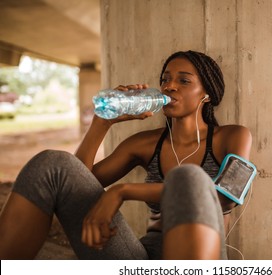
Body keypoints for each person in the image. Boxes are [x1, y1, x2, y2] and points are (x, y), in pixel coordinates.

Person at [0, 50, 252, 260]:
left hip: (200, 256)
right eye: (165, 79)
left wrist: (122, 191)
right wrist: (102, 122)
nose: (169, 86)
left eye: (183, 81)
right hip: (140, 257)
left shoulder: (232, 136)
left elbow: (226, 196)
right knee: (52, 163)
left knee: (188, 177)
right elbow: (77, 184)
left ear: (207, 94)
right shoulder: (144, 143)